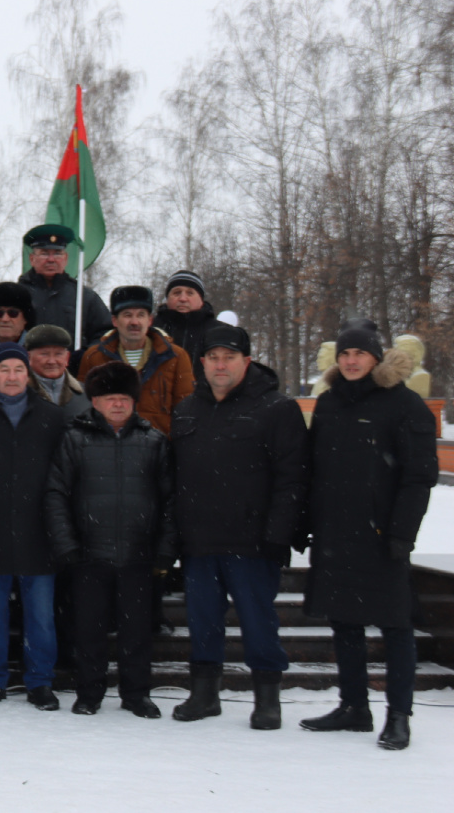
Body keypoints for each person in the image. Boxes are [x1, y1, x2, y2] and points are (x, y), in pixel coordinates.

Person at [299, 321, 437, 750]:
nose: (351, 361)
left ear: (376, 358)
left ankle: (399, 716)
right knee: (344, 622)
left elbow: (419, 477)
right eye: (344, 354)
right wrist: (307, 522)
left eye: (359, 354)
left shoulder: (404, 404)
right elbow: (313, 471)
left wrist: (401, 533)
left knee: (395, 627)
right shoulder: (329, 404)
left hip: (381, 535)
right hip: (336, 532)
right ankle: (354, 707)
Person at [169, 324, 308, 730]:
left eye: (229, 357)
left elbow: (293, 478)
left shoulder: (276, 409)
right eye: (212, 357)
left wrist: (278, 534)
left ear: (246, 362)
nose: (220, 365)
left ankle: (267, 698)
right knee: (202, 621)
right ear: (202, 363)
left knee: (258, 622)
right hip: (198, 542)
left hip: (253, 542)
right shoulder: (187, 409)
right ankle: (205, 694)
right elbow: (174, 476)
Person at [44, 361, 176, 718]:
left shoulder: (153, 441)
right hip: (89, 553)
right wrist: (66, 544)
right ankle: (89, 692)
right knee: (89, 630)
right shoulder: (74, 439)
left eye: (123, 398)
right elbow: (56, 493)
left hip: (138, 553)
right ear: (95, 402)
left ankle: (136, 694)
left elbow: (169, 500)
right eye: (109, 398)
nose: (117, 405)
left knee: (137, 632)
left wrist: (164, 549)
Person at [0, 343, 65, 711]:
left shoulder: (53, 418)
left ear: (28, 375)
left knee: (41, 618)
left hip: (39, 534)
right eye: (4, 369)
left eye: (18, 370)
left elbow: (63, 477)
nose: (11, 376)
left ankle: (40, 681)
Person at [77, 286, 194, 438]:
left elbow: (185, 411)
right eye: (127, 315)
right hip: (107, 448)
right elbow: (84, 409)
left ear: (150, 320)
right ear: (114, 320)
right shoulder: (94, 357)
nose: (134, 322)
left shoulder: (175, 357)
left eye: (141, 315)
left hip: (159, 450)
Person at [17, 225, 109, 348]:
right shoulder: (17, 295)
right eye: (44, 254)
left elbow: (106, 332)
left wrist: (85, 356)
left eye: (57, 253)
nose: (51, 260)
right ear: (32, 259)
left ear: (65, 258)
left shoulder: (84, 297)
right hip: (27, 365)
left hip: (73, 366)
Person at [154, 270, 216, 381]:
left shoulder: (217, 331)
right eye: (177, 293)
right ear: (167, 298)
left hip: (204, 396)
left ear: (201, 299)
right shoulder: (153, 329)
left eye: (190, 293)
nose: (183, 299)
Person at [24, 324, 90, 421]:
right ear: (29, 357)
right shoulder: (19, 394)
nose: (52, 361)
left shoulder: (87, 395)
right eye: (44, 354)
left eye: (58, 354)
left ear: (67, 358)